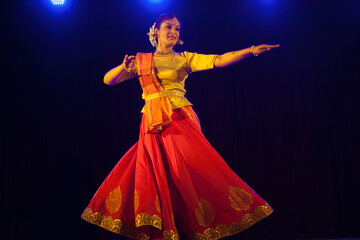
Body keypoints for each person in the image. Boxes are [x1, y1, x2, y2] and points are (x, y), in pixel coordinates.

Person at [81, 14, 279, 240]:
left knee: (187, 172)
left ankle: (200, 223)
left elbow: (220, 59)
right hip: (151, 122)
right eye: (168, 27)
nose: (173, 31)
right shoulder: (141, 60)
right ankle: (170, 230)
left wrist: (250, 50)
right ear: (155, 31)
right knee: (157, 173)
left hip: (179, 119)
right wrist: (123, 67)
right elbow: (108, 80)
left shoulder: (185, 58)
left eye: (177, 28)